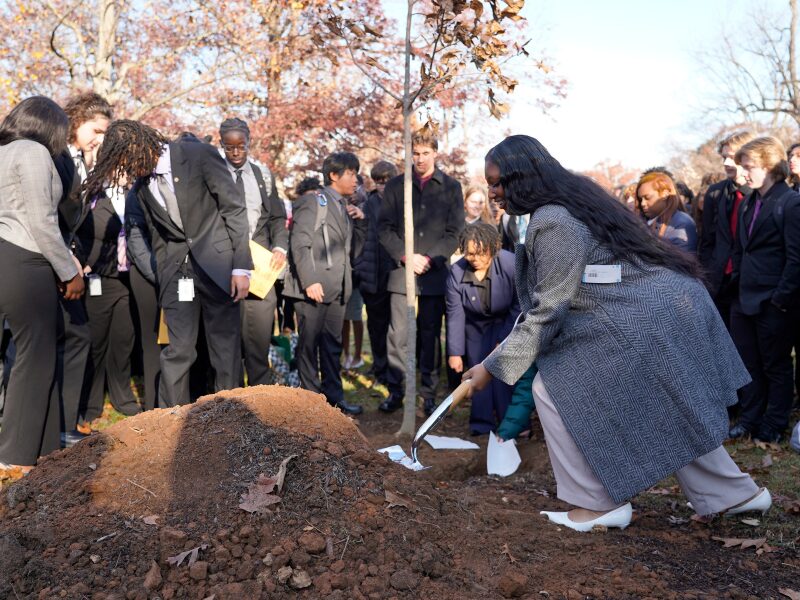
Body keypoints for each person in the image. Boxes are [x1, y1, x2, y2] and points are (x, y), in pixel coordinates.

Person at [463, 134, 770, 532]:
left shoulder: (553, 220)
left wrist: (492, 368)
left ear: (523, 179)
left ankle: (596, 505)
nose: (493, 191)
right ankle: (738, 496)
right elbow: (550, 301)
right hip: (650, 313)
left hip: (642, 319)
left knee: (551, 388)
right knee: (670, 402)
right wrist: (495, 357)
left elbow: (549, 309)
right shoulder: (567, 203)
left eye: (498, 182)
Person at [86, 120, 253, 407]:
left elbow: (234, 209)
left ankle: (231, 418)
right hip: (177, 275)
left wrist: (240, 266)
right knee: (178, 350)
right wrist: (163, 274)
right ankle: (170, 423)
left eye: (125, 161)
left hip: (218, 266)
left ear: (139, 146)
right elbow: (157, 235)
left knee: (224, 349)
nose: (125, 170)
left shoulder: (198, 155)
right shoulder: (142, 186)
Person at [0, 96, 84, 472]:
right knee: (34, 358)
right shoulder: (31, 151)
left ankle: (45, 449)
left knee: (33, 356)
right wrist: (70, 271)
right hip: (25, 257)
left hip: (7, 255)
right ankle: (17, 458)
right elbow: (41, 221)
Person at [378, 126, 465, 415]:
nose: (420, 158)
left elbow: (455, 233)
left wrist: (429, 258)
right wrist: (406, 256)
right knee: (399, 336)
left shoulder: (451, 187)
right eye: (415, 153)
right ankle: (397, 390)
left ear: (435, 153)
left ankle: (428, 393)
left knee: (429, 336)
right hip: (401, 273)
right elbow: (385, 229)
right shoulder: (395, 187)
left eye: (426, 153)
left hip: (434, 274)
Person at [728, 137, 800, 443]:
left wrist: (780, 300)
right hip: (744, 300)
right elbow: (743, 250)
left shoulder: (791, 203)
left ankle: (774, 423)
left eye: (749, 166)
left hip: (773, 301)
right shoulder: (748, 201)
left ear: (769, 165)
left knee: (776, 365)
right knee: (748, 364)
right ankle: (750, 418)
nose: (743, 173)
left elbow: (796, 258)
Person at [284, 152, 366, 415]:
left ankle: (334, 401)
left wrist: (360, 221)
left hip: (338, 288)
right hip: (313, 288)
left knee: (331, 347)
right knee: (308, 348)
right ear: (334, 175)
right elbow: (300, 243)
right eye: (351, 173)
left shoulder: (344, 206)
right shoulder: (313, 202)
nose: (356, 179)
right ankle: (310, 406)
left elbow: (354, 250)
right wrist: (309, 281)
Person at [53, 92, 113, 445]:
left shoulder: (84, 161)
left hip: (71, 259)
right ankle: (59, 422)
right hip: (55, 258)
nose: (99, 139)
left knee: (77, 337)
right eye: (96, 130)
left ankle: (66, 420)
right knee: (74, 337)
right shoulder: (59, 155)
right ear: (76, 122)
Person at [218, 118, 288, 386]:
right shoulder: (214, 174)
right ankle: (230, 402)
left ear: (249, 142)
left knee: (259, 340)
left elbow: (276, 218)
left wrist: (279, 246)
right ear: (222, 144)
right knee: (229, 346)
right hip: (224, 267)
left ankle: (260, 400)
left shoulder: (262, 175)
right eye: (229, 148)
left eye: (241, 147)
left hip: (260, 268)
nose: (236, 153)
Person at [76, 180, 142, 420]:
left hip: (127, 277)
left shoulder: (134, 192)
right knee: (97, 340)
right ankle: (91, 402)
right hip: (98, 278)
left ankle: (121, 394)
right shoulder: (92, 195)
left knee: (124, 339)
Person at [446, 223, 519, 435]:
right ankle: (481, 424)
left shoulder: (510, 264)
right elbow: (455, 313)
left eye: (480, 253)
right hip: (475, 326)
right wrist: (455, 352)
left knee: (504, 372)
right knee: (476, 371)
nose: (475, 259)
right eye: (469, 254)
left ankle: (511, 425)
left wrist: (504, 339)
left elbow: (519, 304)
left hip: (507, 321)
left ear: (493, 247)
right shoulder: (456, 272)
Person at [698, 131, 755, 329]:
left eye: (732, 157)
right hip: (718, 280)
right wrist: (706, 276)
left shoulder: (760, 193)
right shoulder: (715, 192)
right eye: (724, 157)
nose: (727, 163)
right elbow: (707, 240)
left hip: (748, 282)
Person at [355, 160, 398, 386]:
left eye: (386, 181)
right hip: (372, 275)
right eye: (378, 181)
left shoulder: (401, 203)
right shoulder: (368, 203)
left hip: (394, 273)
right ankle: (380, 369)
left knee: (396, 329)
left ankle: (395, 371)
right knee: (376, 326)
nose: (382, 186)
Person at [636, 171, 697, 253]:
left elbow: (681, 262)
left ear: (665, 194)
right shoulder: (641, 221)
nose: (642, 203)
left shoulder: (682, 222)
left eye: (647, 197)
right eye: (640, 199)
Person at [342, 178, 367, 370]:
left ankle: (358, 354)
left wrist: (361, 218)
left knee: (356, 315)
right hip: (342, 272)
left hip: (358, 273)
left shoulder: (366, 208)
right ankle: (346, 355)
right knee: (344, 318)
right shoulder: (340, 205)